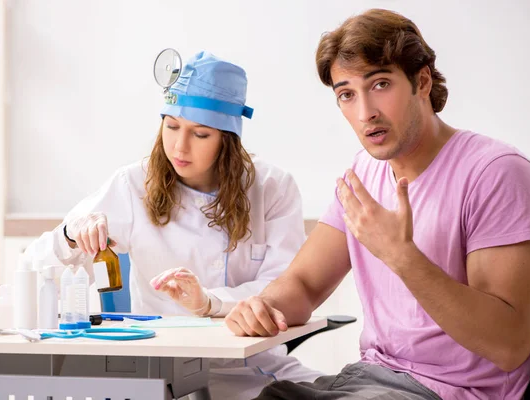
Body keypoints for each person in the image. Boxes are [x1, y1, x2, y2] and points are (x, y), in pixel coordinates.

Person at [225, 8, 530, 400]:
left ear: (421, 81)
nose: (365, 113)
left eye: (379, 85)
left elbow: (509, 346)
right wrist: (262, 306)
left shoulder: (497, 174)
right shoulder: (363, 176)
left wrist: (403, 257)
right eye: (346, 94)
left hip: (452, 392)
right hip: (369, 379)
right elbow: (305, 284)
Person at [24, 50, 322, 399]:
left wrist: (209, 302)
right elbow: (32, 271)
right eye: (171, 126)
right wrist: (70, 238)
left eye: (201, 134)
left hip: (252, 368)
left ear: (228, 138)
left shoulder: (271, 187)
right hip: (160, 371)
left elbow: (283, 286)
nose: (179, 147)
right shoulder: (134, 184)